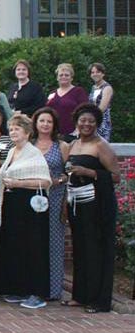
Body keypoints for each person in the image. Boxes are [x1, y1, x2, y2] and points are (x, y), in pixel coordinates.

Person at [64, 103, 120, 313]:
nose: (86, 124)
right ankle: (80, 295)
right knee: (81, 249)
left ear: (97, 123)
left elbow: (115, 176)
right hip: (78, 204)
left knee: (97, 250)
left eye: (91, 121)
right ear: (77, 122)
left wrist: (89, 172)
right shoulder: (73, 144)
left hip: (99, 205)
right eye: (83, 120)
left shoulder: (101, 145)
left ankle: (98, 300)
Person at [0, 114, 52, 309]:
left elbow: (45, 181)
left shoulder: (34, 153)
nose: (12, 132)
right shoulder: (12, 152)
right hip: (12, 205)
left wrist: (20, 183)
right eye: (10, 129)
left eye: (17, 129)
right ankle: (18, 288)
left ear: (27, 133)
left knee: (33, 248)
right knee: (16, 246)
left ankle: (36, 292)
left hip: (30, 208)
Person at [31, 107, 70, 300]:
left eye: (49, 121)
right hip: (33, 200)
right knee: (33, 243)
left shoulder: (61, 146)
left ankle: (53, 290)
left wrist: (59, 182)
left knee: (54, 244)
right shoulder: (29, 145)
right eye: (42, 121)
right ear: (35, 123)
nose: (45, 124)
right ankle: (33, 286)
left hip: (55, 198)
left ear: (53, 125)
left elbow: (68, 174)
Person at [46, 63, 88, 136]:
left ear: (71, 78)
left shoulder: (78, 91)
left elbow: (85, 111)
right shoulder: (52, 93)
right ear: (57, 78)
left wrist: (78, 129)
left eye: (66, 75)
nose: (63, 77)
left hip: (72, 133)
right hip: (53, 133)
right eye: (61, 75)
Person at [88, 63, 113, 140]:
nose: (95, 74)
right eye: (92, 72)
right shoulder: (94, 87)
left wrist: (90, 118)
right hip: (91, 121)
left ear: (103, 74)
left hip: (102, 122)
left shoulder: (107, 88)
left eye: (98, 72)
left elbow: (102, 108)